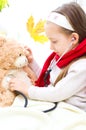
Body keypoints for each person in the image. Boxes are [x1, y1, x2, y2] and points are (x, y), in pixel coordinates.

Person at [9, 2, 86, 112]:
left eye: (54, 41)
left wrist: (27, 90)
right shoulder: (60, 57)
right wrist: (32, 62)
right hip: (56, 107)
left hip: (72, 113)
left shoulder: (82, 67)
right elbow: (47, 80)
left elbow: (57, 93)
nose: (50, 47)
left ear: (73, 39)